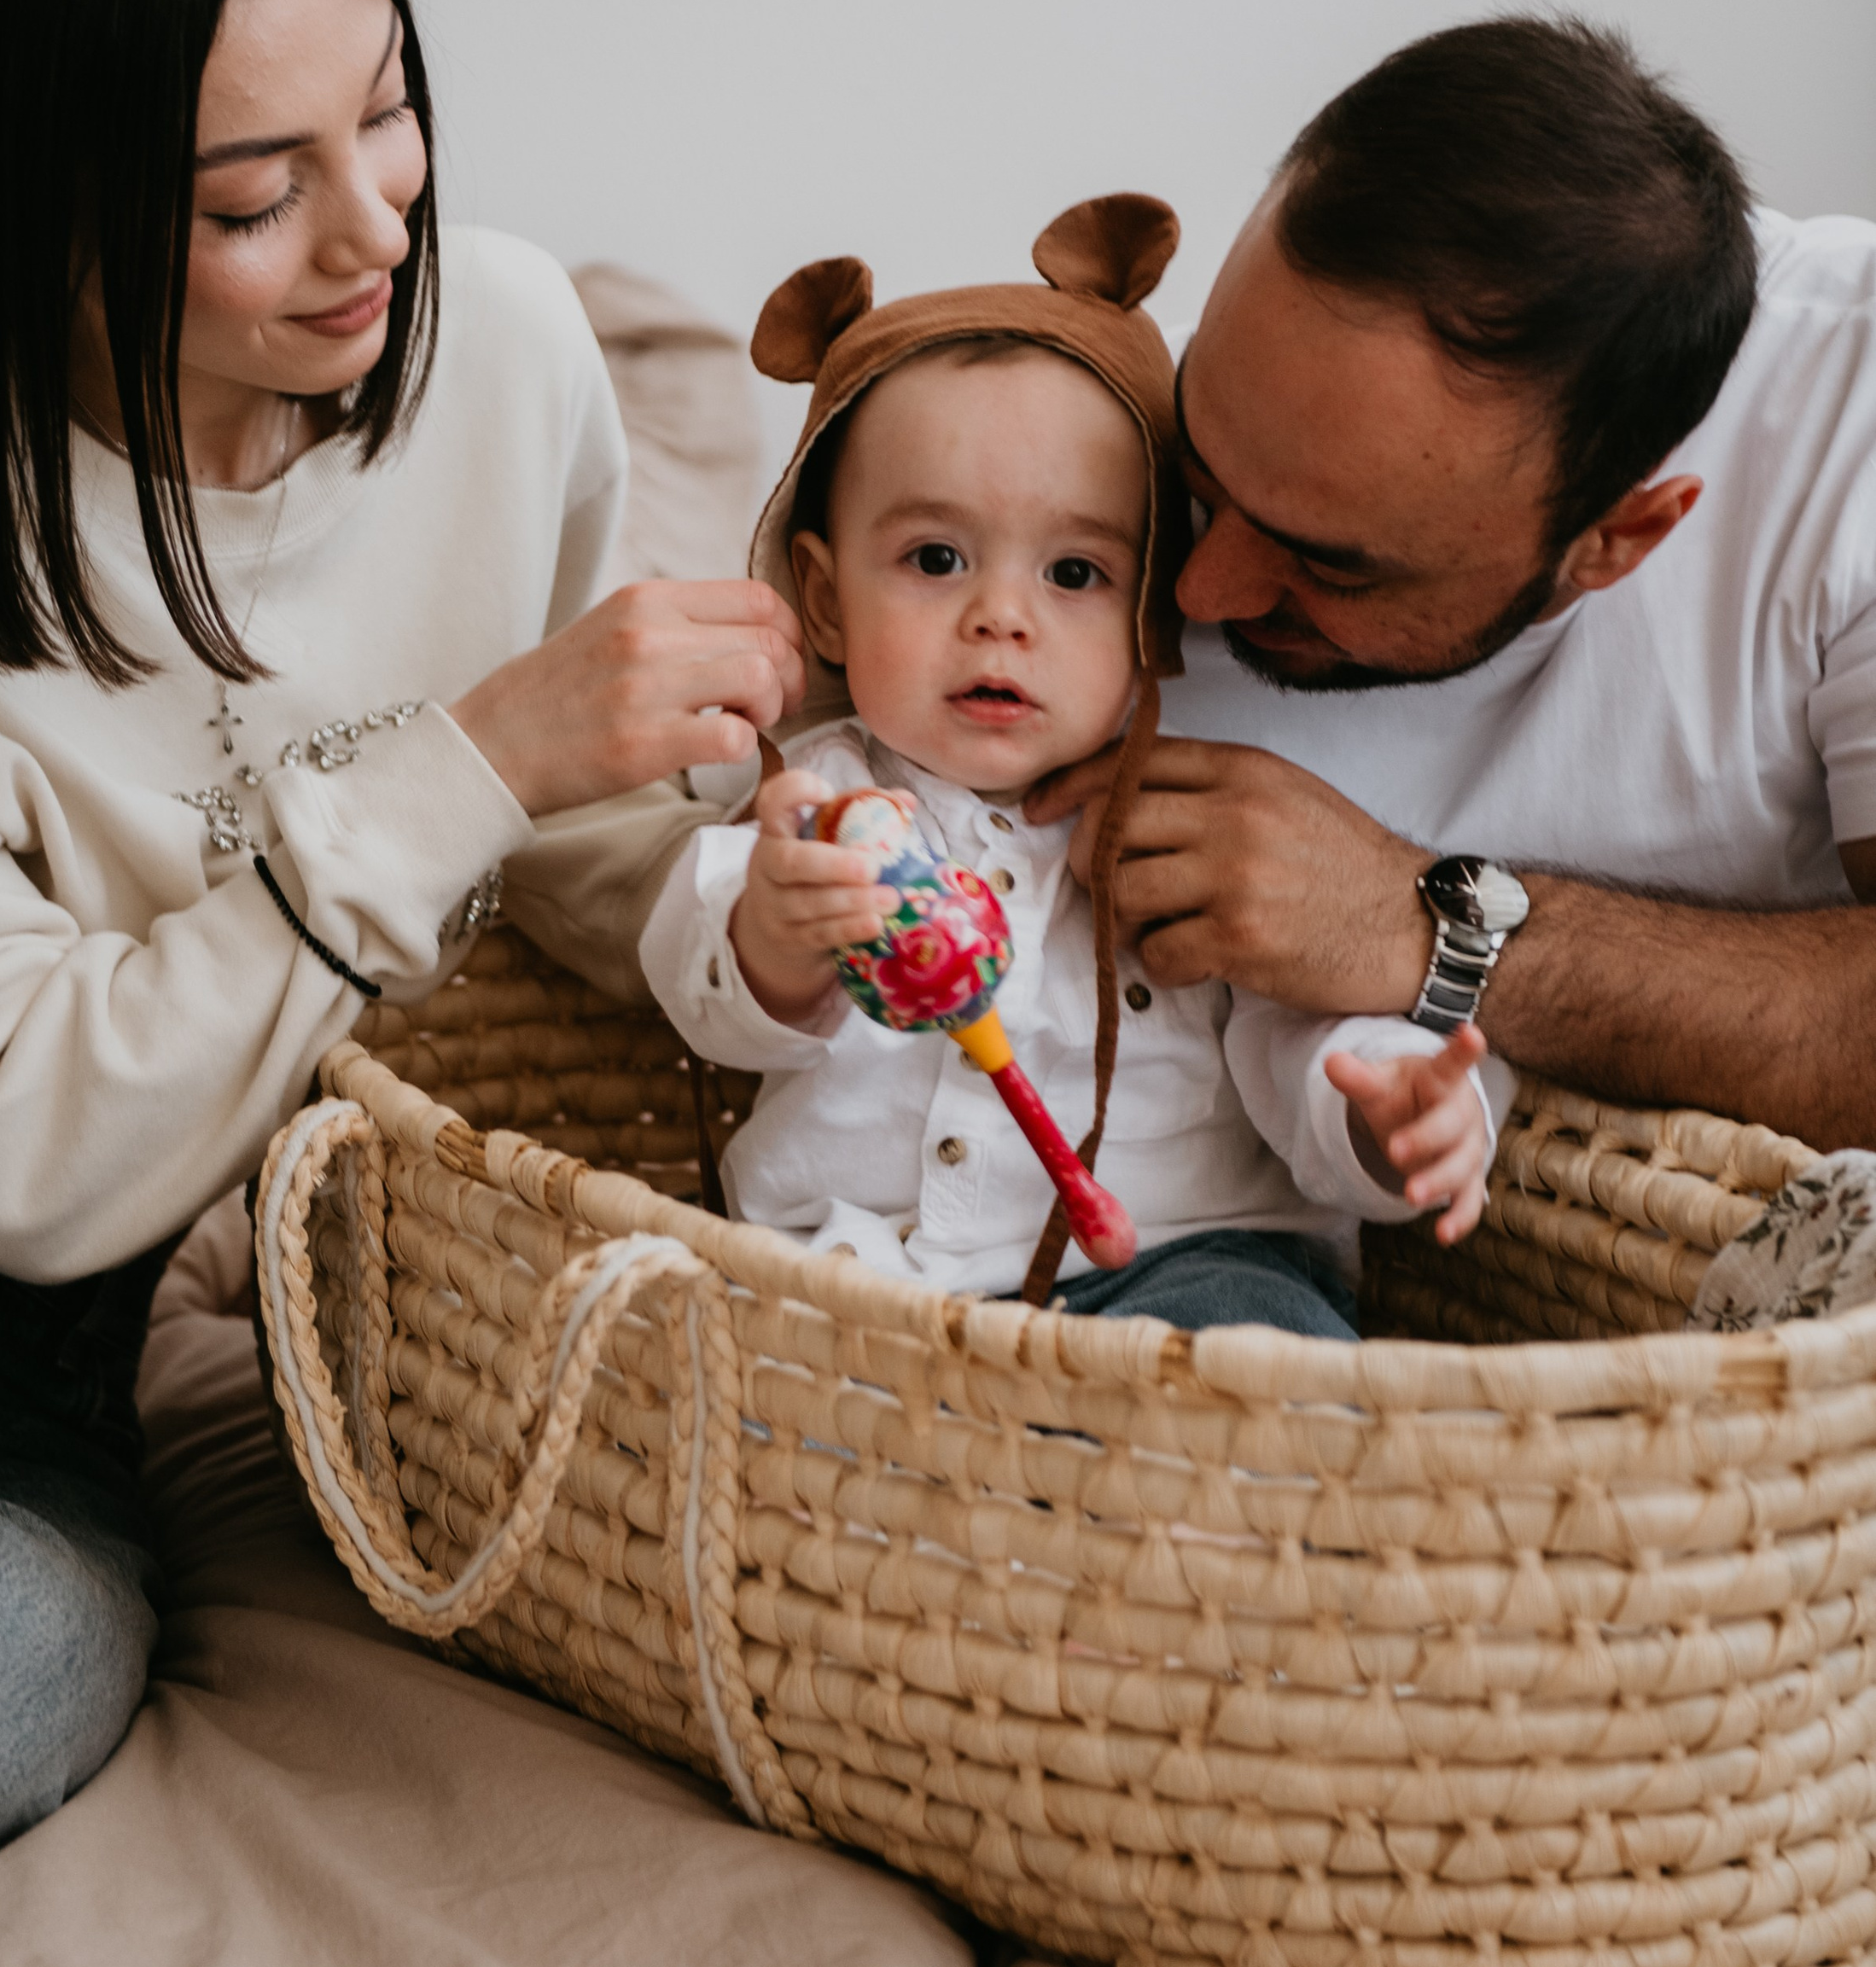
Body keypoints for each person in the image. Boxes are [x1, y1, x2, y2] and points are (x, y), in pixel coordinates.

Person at [0, 0, 802, 1927]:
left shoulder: (498, 351)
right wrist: (462, 761)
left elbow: (552, 853)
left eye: (386, 109)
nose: (376, 222)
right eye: (244, 194)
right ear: (25, 194)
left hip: (44, 1343)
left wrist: (750, 929)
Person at [642, 203, 1503, 1329]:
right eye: (936, 558)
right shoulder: (815, 811)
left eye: (1075, 574)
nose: (1002, 616)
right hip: (860, 1280)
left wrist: (1394, 1113)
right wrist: (775, 936)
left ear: (1151, 606)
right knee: (708, 1364)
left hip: (1177, 1266)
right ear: (824, 598)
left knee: (1274, 1354)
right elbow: (695, 982)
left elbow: (1303, 1021)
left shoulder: (1190, 823)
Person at [1027, 16, 1876, 1152]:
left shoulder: (1847, 425)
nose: (1205, 591)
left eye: (1329, 563)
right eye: (1198, 467)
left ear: (1616, 540)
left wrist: (1429, 924)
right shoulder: (1096, 416)